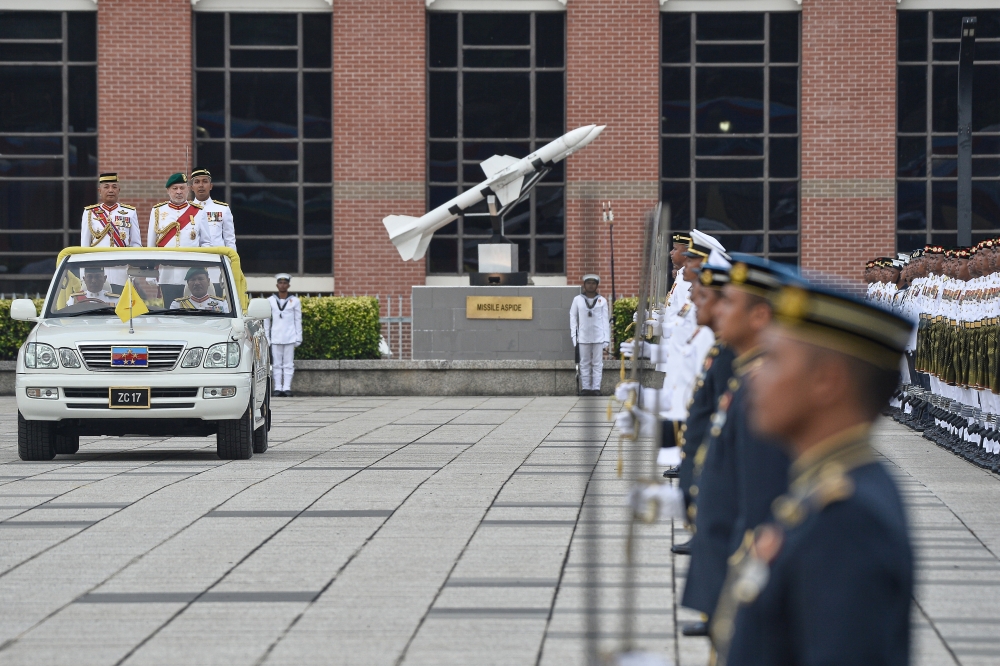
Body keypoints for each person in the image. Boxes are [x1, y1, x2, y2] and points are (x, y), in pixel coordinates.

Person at [712, 282, 914, 666]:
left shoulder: (848, 520)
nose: (756, 376)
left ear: (827, 381)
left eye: (772, 360)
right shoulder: (827, 487)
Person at [681, 255, 791, 638]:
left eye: (729, 301)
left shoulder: (759, 386)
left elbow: (757, 500)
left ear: (760, 316)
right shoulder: (742, 368)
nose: (716, 308)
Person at [570, 274, 610, 396]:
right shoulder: (577, 299)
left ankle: (596, 388)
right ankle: (586, 387)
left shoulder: (602, 300)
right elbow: (573, 317)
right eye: (588, 283)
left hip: (598, 337)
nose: (591, 285)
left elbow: (605, 320)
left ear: (597, 285)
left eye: (593, 283)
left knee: (597, 363)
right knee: (584, 363)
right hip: (582, 337)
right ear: (584, 285)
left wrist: (606, 338)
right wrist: (574, 336)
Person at [264, 274, 302, 398]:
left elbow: (298, 320)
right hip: (275, 337)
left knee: (288, 364)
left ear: (288, 285)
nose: (282, 285)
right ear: (277, 285)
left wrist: (298, 337)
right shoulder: (270, 300)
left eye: (285, 283)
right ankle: (277, 388)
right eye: (280, 283)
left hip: (290, 337)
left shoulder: (294, 301)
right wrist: (267, 337)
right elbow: (267, 320)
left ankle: (286, 388)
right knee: (276, 365)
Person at [81, 173, 142, 249]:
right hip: (99, 258)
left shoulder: (130, 212)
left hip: (122, 259)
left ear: (119, 190)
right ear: (99, 191)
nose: (110, 190)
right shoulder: (90, 212)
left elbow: (136, 243)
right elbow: (84, 244)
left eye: (114, 187)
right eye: (106, 187)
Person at [147, 173, 207, 248]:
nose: (179, 192)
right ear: (168, 191)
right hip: (165, 258)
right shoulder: (157, 211)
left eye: (182, 188)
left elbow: (206, 243)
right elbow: (151, 243)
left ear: (188, 189)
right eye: (175, 188)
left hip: (190, 258)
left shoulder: (199, 211)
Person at [189, 167, 237, 250]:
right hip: (193, 258)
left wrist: (232, 261)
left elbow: (230, 240)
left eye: (205, 181)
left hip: (216, 259)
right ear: (192, 187)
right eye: (197, 182)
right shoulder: (186, 210)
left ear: (211, 186)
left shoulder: (222, 209)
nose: (201, 185)